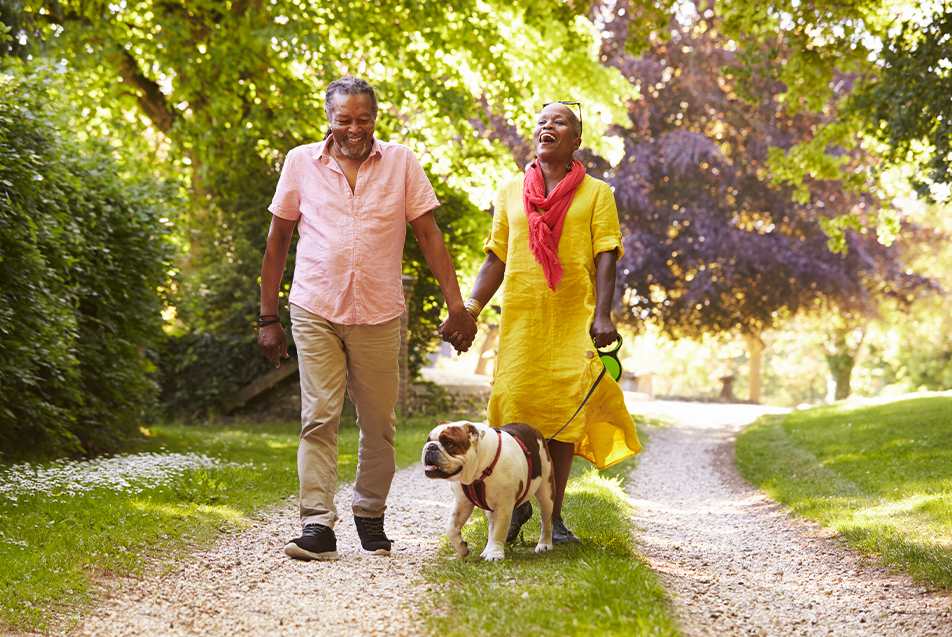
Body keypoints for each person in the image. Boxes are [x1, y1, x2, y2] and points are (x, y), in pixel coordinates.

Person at [258, 76, 477, 561]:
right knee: (319, 417)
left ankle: (369, 513)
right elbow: (277, 241)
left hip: (378, 313)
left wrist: (456, 305)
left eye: (363, 119)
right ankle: (317, 524)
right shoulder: (300, 162)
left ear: (375, 118)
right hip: (315, 306)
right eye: (344, 120)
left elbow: (428, 235)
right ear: (329, 120)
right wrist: (267, 316)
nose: (354, 129)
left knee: (378, 424)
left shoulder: (401, 163)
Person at [444, 101, 641, 544]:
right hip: (522, 320)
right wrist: (471, 309)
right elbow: (497, 255)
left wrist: (603, 314)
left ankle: (555, 517)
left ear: (576, 140)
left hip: (573, 319)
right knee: (513, 410)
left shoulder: (597, 194)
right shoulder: (511, 190)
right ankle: (513, 506)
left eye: (560, 122)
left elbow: (606, 254)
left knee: (561, 419)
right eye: (542, 121)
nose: (547, 126)